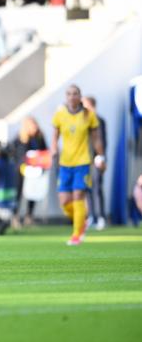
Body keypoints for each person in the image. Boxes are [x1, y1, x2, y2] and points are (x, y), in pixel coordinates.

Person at [51, 85, 105, 246]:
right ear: (66, 97)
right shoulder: (59, 115)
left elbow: (96, 138)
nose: (72, 97)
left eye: (75, 94)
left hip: (83, 162)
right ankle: (82, 220)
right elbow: (54, 137)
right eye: (69, 94)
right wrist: (53, 149)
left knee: (78, 196)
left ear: (80, 96)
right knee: (64, 201)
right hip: (65, 163)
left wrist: (101, 156)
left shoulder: (89, 115)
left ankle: (76, 235)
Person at [10, 116, 47, 228]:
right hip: (22, 170)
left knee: (33, 193)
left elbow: (44, 151)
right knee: (18, 193)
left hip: (35, 170)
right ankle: (15, 217)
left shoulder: (39, 138)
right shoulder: (20, 138)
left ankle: (29, 216)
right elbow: (16, 153)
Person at [82, 96, 107, 230]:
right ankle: (91, 216)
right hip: (86, 160)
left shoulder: (99, 121)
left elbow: (102, 141)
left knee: (97, 188)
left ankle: (101, 216)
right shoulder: (84, 121)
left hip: (97, 160)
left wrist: (100, 158)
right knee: (88, 189)